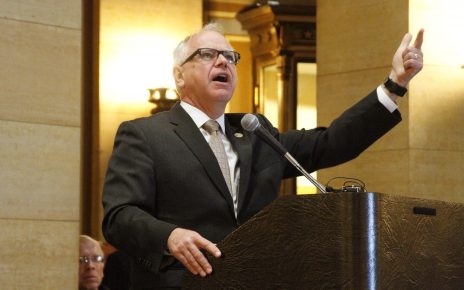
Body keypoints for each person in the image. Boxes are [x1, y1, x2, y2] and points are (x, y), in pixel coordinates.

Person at [102, 23, 424, 289]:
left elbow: (330, 142)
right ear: (179, 75)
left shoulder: (254, 133)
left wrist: (394, 85)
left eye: (230, 56)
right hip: (182, 282)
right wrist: (169, 235)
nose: (223, 62)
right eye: (207, 54)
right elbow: (119, 216)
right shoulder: (145, 134)